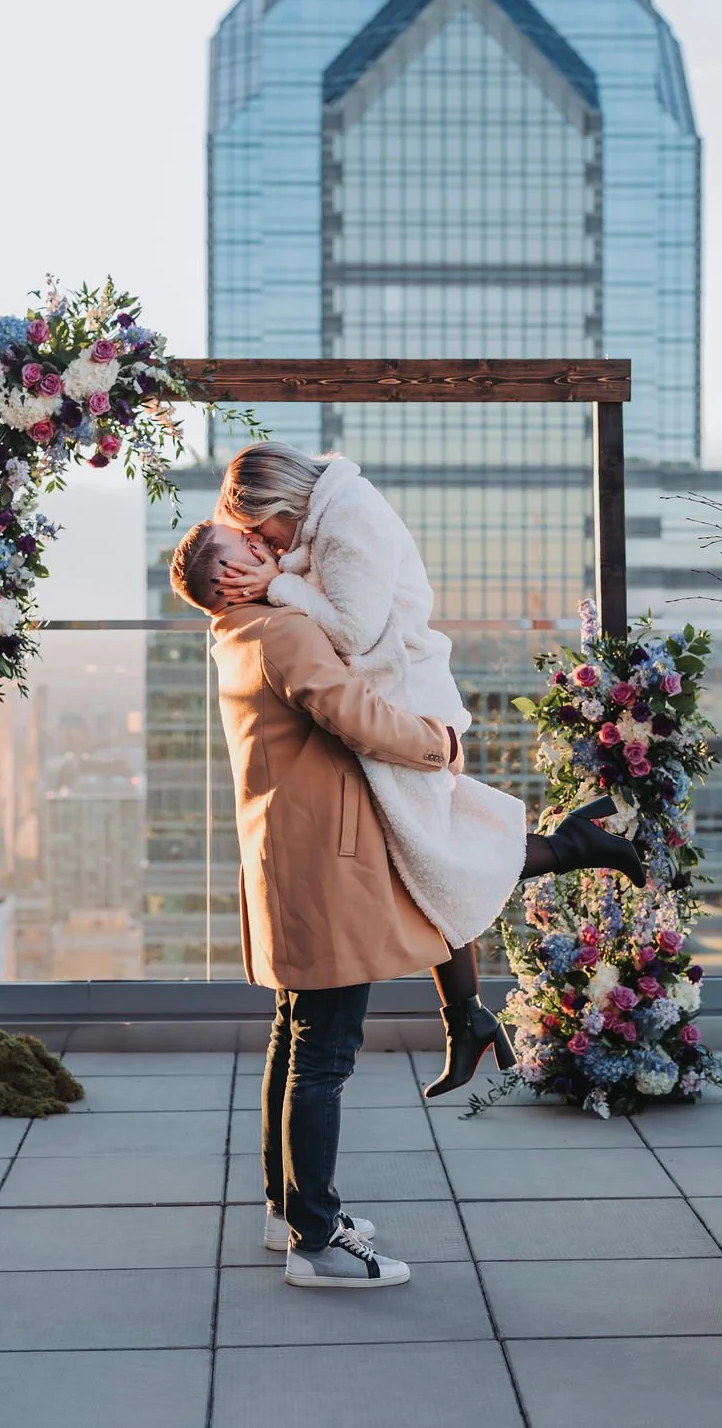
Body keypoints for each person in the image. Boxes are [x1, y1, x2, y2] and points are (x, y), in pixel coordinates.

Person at [169, 517, 643, 1289]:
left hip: (293, 862)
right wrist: (439, 744)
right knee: (321, 1055)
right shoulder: (278, 633)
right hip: (325, 870)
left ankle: (288, 1209)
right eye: (244, 549)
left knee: (294, 1040)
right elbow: (352, 709)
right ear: (223, 580)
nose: (261, 547)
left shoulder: (233, 634)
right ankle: (316, 1244)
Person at [213, 442, 645, 1097]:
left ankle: (576, 846)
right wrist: (269, 582)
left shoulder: (349, 519)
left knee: (435, 856)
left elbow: (353, 633)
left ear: (281, 504)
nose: (260, 543)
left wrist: (273, 585)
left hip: (407, 707)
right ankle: (466, 1018)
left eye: (258, 532)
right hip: (386, 702)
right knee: (423, 859)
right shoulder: (316, 519)